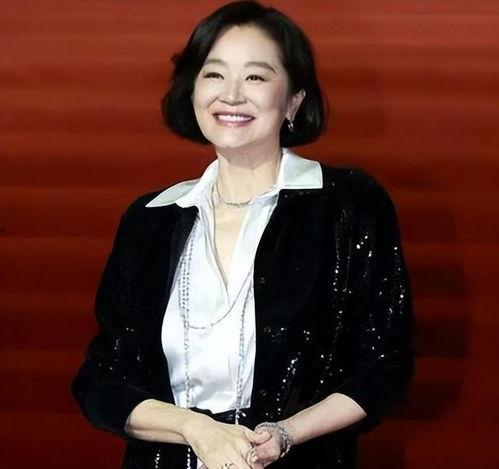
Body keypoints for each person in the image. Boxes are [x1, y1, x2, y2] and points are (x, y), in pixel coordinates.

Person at [71, 1, 414, 468]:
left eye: (255, 76)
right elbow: (102, 379)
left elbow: (383, 366)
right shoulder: (151, 219)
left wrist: (284, 435)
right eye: (214, 74)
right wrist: (196, 429)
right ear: (192, 90)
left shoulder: (347, 206)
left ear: (294, 100)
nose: (231, 95)